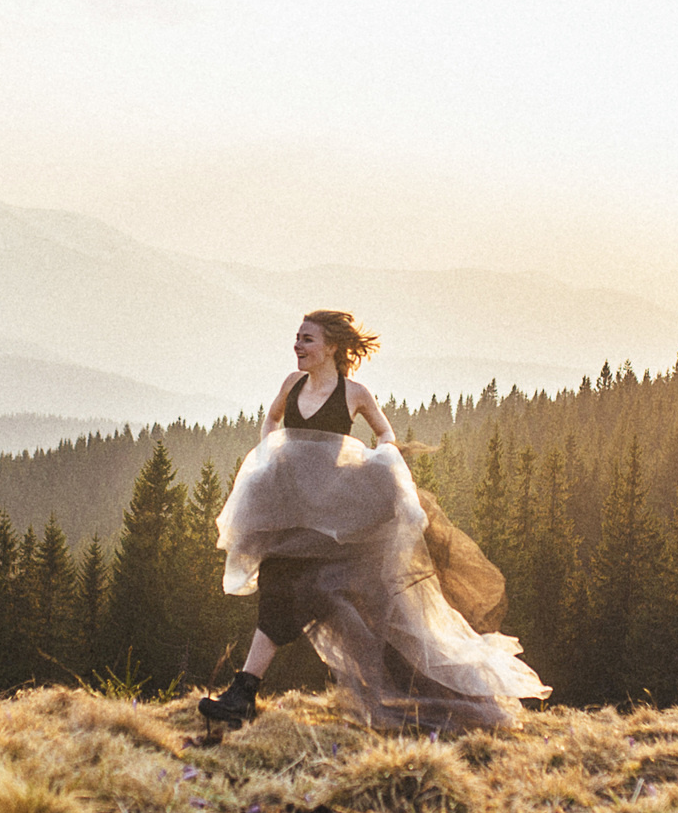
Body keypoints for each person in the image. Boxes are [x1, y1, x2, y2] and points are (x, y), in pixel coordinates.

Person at [197, 309, 547, 731]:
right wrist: (271, 453)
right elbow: (272, 419)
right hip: (292, 511)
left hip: (332, 520)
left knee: (339, 604)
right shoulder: (291, 384)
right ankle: (244, 692)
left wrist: (376, 460)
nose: (298, 346)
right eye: (297, 337)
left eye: (307, 339)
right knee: (278, 587)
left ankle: (417, 692)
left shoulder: (354, 393)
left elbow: (385, 434)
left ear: (331, 348)